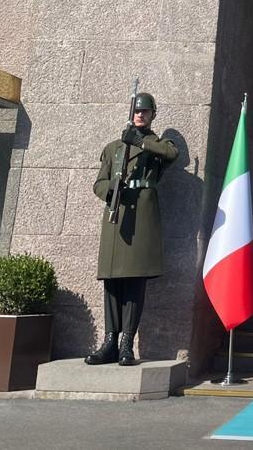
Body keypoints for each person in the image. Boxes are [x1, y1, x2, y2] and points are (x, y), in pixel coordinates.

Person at [86, 92, 178, 366]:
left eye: (145, 112)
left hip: (141, 220)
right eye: (137, 111)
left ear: (152, 115)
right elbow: (99, 183)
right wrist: (112, 189)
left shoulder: (157, 144)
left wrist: (141, 142)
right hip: (117, 215)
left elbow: (171, 154)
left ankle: (127, 343)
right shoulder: (114, 147)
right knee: (112, 282)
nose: (140, 115)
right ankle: (110, 342)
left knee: (135, 281)